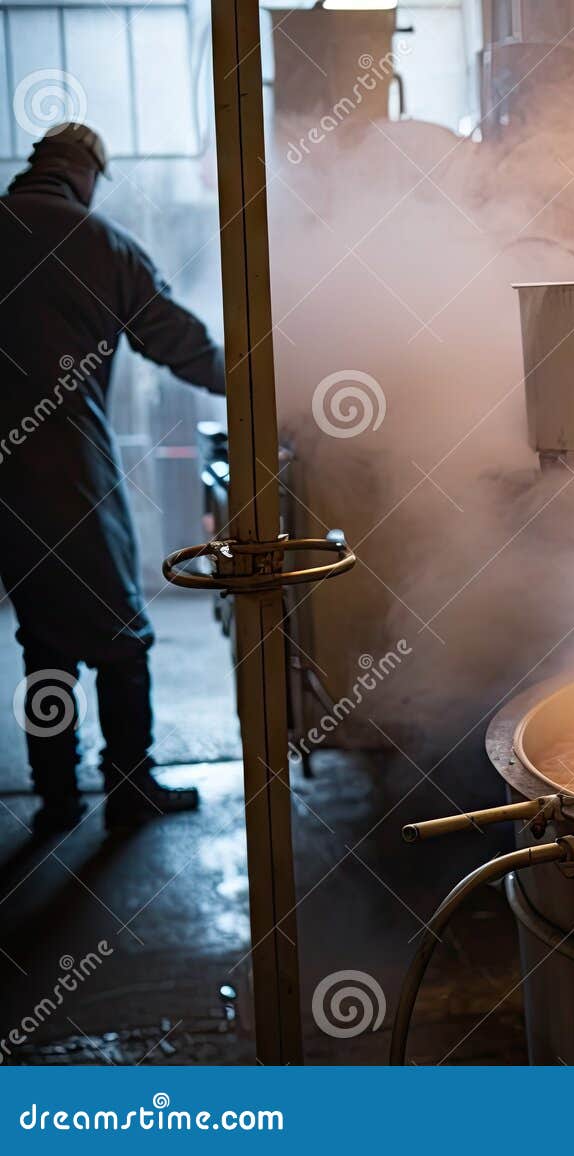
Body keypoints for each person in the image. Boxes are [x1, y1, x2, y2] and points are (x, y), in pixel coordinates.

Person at [0, 124, 227, 835]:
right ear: (88, 173)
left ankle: (57, 799)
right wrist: (263, 386)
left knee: (43, 635)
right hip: (67, 467)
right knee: (121, 633)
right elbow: (176, 341)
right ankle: (129, 788)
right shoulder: (98, 242)